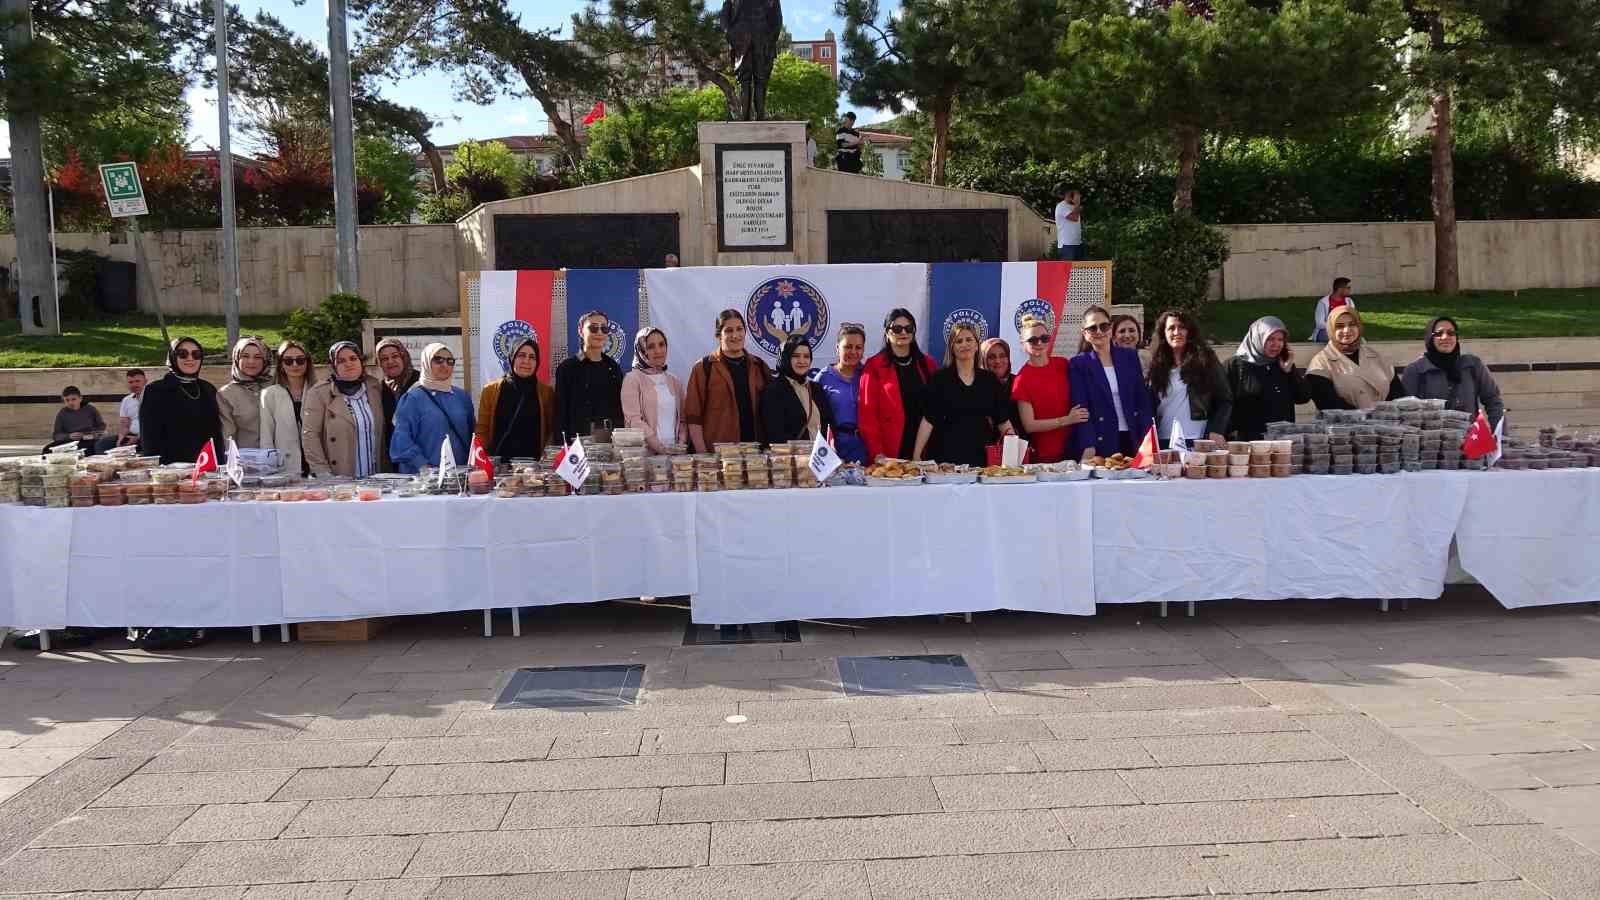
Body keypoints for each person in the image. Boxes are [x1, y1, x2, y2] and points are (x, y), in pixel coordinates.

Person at [913, 323, 1012, 466]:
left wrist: (1013, 454)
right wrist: (916, 456)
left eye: (969, 340)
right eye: (959, 341)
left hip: (981, 461)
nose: (964, 344)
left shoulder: (989, 380)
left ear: (977, 345)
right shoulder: (939, 379)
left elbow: (1003, 421)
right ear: (952, 348)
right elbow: (928, 420)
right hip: (944, 461)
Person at [1067, 305, 1153, 460]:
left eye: (1104, 326)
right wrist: (1088, 444)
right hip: (1101, 439)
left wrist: (1148, 441)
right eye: (1093, 328)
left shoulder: (1130, 356)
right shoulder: (1078, 364)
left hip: (1133, 437)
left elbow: (1142, 402)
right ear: (1085, 333)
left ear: (1111, 328)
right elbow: (1081, 408)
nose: (1099, 331)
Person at [685, 310, 772, 451]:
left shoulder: (759, 366)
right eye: (728, 331)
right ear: (719, 335)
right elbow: (693, 416)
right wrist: (702, 454)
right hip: (719, 458)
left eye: (739, 329)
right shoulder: (703, 368)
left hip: (756, 458)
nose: (735, 335)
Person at [859, 308, 938, 460]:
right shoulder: (874, 366)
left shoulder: (928, 364)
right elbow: (867, 416)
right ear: (887, 333)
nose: (903, 332)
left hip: (924, 445)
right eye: (897, 328)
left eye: (908, 328)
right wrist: (877, 453)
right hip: (890, 449)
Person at [304, 342, 390, 478]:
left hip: (376, 476)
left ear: (361, 362)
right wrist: (321, 471)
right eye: (341, 361)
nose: (348, 364)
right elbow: (310, 435)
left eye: (353, 358)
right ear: (333, 366)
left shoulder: (375, 387)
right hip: (339, 478)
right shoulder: (319, 393)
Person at [1148, 309, 1232, 447]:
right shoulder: (1156, 366)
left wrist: (1216, 430)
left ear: (1190, 332)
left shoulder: (1206, 361)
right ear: (1164, 333)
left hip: (1197, 440)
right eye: (1171, 328)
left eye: (1181, 327)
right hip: (1163, 441)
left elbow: (1225, 399)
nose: (1176, 332)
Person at [1011, 315, 1087, 463]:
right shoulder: (1021, 380)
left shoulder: (1062, 364)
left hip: (1075, 447)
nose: (1039, 343)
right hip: (1046, 456)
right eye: (1033, 340)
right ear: (1022, 344)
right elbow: (1029, 425)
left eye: (1044, 338)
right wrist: (1066, 420)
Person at [1402, 316, 1505, 425]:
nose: (1445, 337)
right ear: (1429, 338)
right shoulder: (1416, 370)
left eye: (1451, 333)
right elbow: (1407, 413)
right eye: (1438, 333)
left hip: (1471, 438)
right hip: (1433, 439)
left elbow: (1493, 401)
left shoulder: (1472, 365)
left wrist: (1499, 436)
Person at [390, 342, 474, 474]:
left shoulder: (461, 397)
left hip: (459, 477)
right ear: (426, 362)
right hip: (423, 479)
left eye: (450, 361)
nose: (444, 365)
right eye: (438, 360)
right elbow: (402, 441)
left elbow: (472, 436)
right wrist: (424, 467)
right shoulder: (412, 398)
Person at [139, 337, 223, 465]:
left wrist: (220, 466)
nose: (190, 359)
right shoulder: (155, 391)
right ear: (173, 357)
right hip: (172, 471)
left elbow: (216, 435)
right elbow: (149, 439)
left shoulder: (208, 389)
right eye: (183, 354)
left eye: (196, 354)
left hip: (207, 469)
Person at [1226, 316, 1311, 442]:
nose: (1276, 344)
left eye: (1280, 339)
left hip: (1281, 443)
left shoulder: (1283, 364)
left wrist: (1290, 371)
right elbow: (1223, 404)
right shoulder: (1235, 366)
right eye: (1270, 339)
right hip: (1248, 443)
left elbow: (1303, 397)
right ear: (1257, 338)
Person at [1307, 305, 1406, 410]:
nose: (1346, 330)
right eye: (1339, 326)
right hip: (1346, 425)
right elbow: (1329, 405)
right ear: (1331, 329)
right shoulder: (1320, 365)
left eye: (1352, 324)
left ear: (1359, 326)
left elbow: (1397, 395)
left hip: (1387, 423)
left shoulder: (1378, 357)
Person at [476, 336, 557, 463]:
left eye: (532, 357)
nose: (526, 361)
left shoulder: (546, 392)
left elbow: (551, 430)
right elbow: (482, 430)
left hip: (534, 470)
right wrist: (482, 461)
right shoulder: (490, 391)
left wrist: (545, 460)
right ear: (512, 357)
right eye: (521, 355)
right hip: (500, 468)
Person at [554, 309, 624, 442]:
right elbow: (560, 414)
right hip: (578, 440)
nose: (599, 333)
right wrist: (562, 447)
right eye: (593, 328)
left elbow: (619, 409)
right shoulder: (567, 368)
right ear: (580, 331)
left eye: (604, 329)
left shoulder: (613, 367)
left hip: (610, 438)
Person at [621, 327, 685, 455]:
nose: (658, 351)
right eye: (650, 346)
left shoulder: (674, 381)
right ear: (641, 350)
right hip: (645, 456)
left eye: (662, 344)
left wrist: (680, 445)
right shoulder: (632, 379)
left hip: (675, 454)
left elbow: (683, 419)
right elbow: (634, 420)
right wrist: (661, 449)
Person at [762, 335, 835, 444]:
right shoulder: (773, 391)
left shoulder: (816, 389)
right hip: (791, 458)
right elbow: (775, 433)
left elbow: (829, 425)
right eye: (796, 356)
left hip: (820, 457)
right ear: (785, 358)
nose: (802, 361)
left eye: (806, 356)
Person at [813, 324, 869, 463]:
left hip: (865, 446)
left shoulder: (869, 375)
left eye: (858, 347)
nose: (853, 352)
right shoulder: (823, 377)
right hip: (834, 447)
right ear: (837, 347)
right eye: (848, 347)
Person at [260, 340, 316, 477]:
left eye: (300, 360)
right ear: (281, 365)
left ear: (307, 362)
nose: (295, 364)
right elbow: (266, 435)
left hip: (316, 465)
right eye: (288, 361)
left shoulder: (319, 390)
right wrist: (269, 470)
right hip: (284, 467)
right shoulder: (269, 394)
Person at [217, 336, 271, 448]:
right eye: (245, 356)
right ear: (236, 359)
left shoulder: (276, 387)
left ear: (265, 360)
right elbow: (228, 438)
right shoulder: (226, 394)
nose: (251, 362)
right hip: (246, 461)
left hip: (281, 459)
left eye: (258, 357)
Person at [375, 338, 420, 436]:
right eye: (384, 359)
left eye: (395, 356)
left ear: (403, 357)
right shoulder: (380, 388)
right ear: (380, 364)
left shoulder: (421, 383)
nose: (390, 361)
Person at [95, 368, 145, 453]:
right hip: (130, 435)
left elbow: (154, 424)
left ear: (145, 381)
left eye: (137, 381)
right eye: (131, 382)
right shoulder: (127, 400)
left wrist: (138, 437)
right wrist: (121, 438)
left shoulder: (153, 397)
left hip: (147, 436)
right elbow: (124, 424)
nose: (134, 385)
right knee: (102, 445)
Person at [49, 386, 105, 453]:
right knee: (47, 450)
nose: (70, 403)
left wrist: (86, 435)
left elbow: (101, 428)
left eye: (73, 399)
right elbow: (56, 436)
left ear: (80, 398)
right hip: (70, 442)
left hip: (88, 440)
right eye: (67, 400)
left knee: (90, 449)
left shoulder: (90, 409)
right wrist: (69, 436)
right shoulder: (62, 413)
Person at [1310, 277, 1356, 342]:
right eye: (1348, 288)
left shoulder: (1349, 301)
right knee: (1331, 337)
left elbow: (1354, 318)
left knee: (1358, 337)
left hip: (1345, 330)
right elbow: (1319, 324)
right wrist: (1338, 326)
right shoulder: (1323, 302)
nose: (1350, 290)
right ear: (1340, 289)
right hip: (1327, 330)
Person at [1054, 187, 1084, 261]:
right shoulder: (1061, 206)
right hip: (1067, 245)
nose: (1079, 197)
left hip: (1077, 243)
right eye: (1076, 195)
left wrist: (1076, 205)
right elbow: (1075, 218)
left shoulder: (1074, 207)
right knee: (1067, 271)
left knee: (1077, 271)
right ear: (1068, 195)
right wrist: (1077, 204)